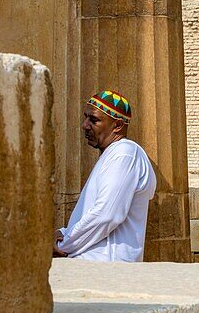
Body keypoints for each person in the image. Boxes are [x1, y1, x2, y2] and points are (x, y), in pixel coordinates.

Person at [53, 90, 156, 262]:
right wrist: (63, 233)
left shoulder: (125, 153)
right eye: (86, 118)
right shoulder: (113, 154)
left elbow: (107, 215)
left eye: (94, 120)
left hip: (105, 266)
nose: (85, 125)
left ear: (117, 126)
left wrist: (63, 245)